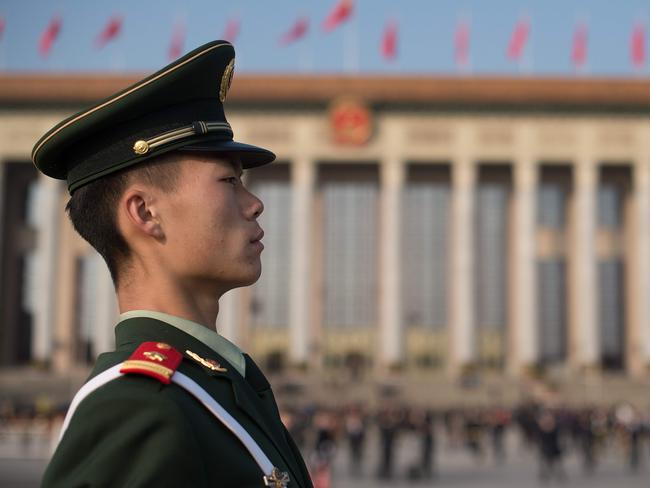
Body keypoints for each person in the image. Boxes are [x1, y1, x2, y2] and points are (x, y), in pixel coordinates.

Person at [34, 40, 312, 487]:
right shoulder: (136, 408)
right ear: (146, 213)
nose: (255, 203)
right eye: (229, 181)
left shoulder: (220, 384)